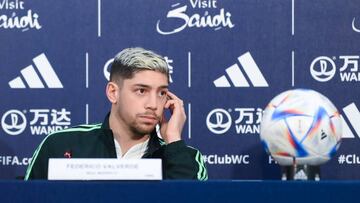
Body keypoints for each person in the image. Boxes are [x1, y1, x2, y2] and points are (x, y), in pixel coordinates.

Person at [24, 47, 208, 180]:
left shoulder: (185, 158)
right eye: (141, 91)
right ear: (113, 92)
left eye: (161, 93)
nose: (153, 104)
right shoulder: (60, 144)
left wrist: (174, 140)